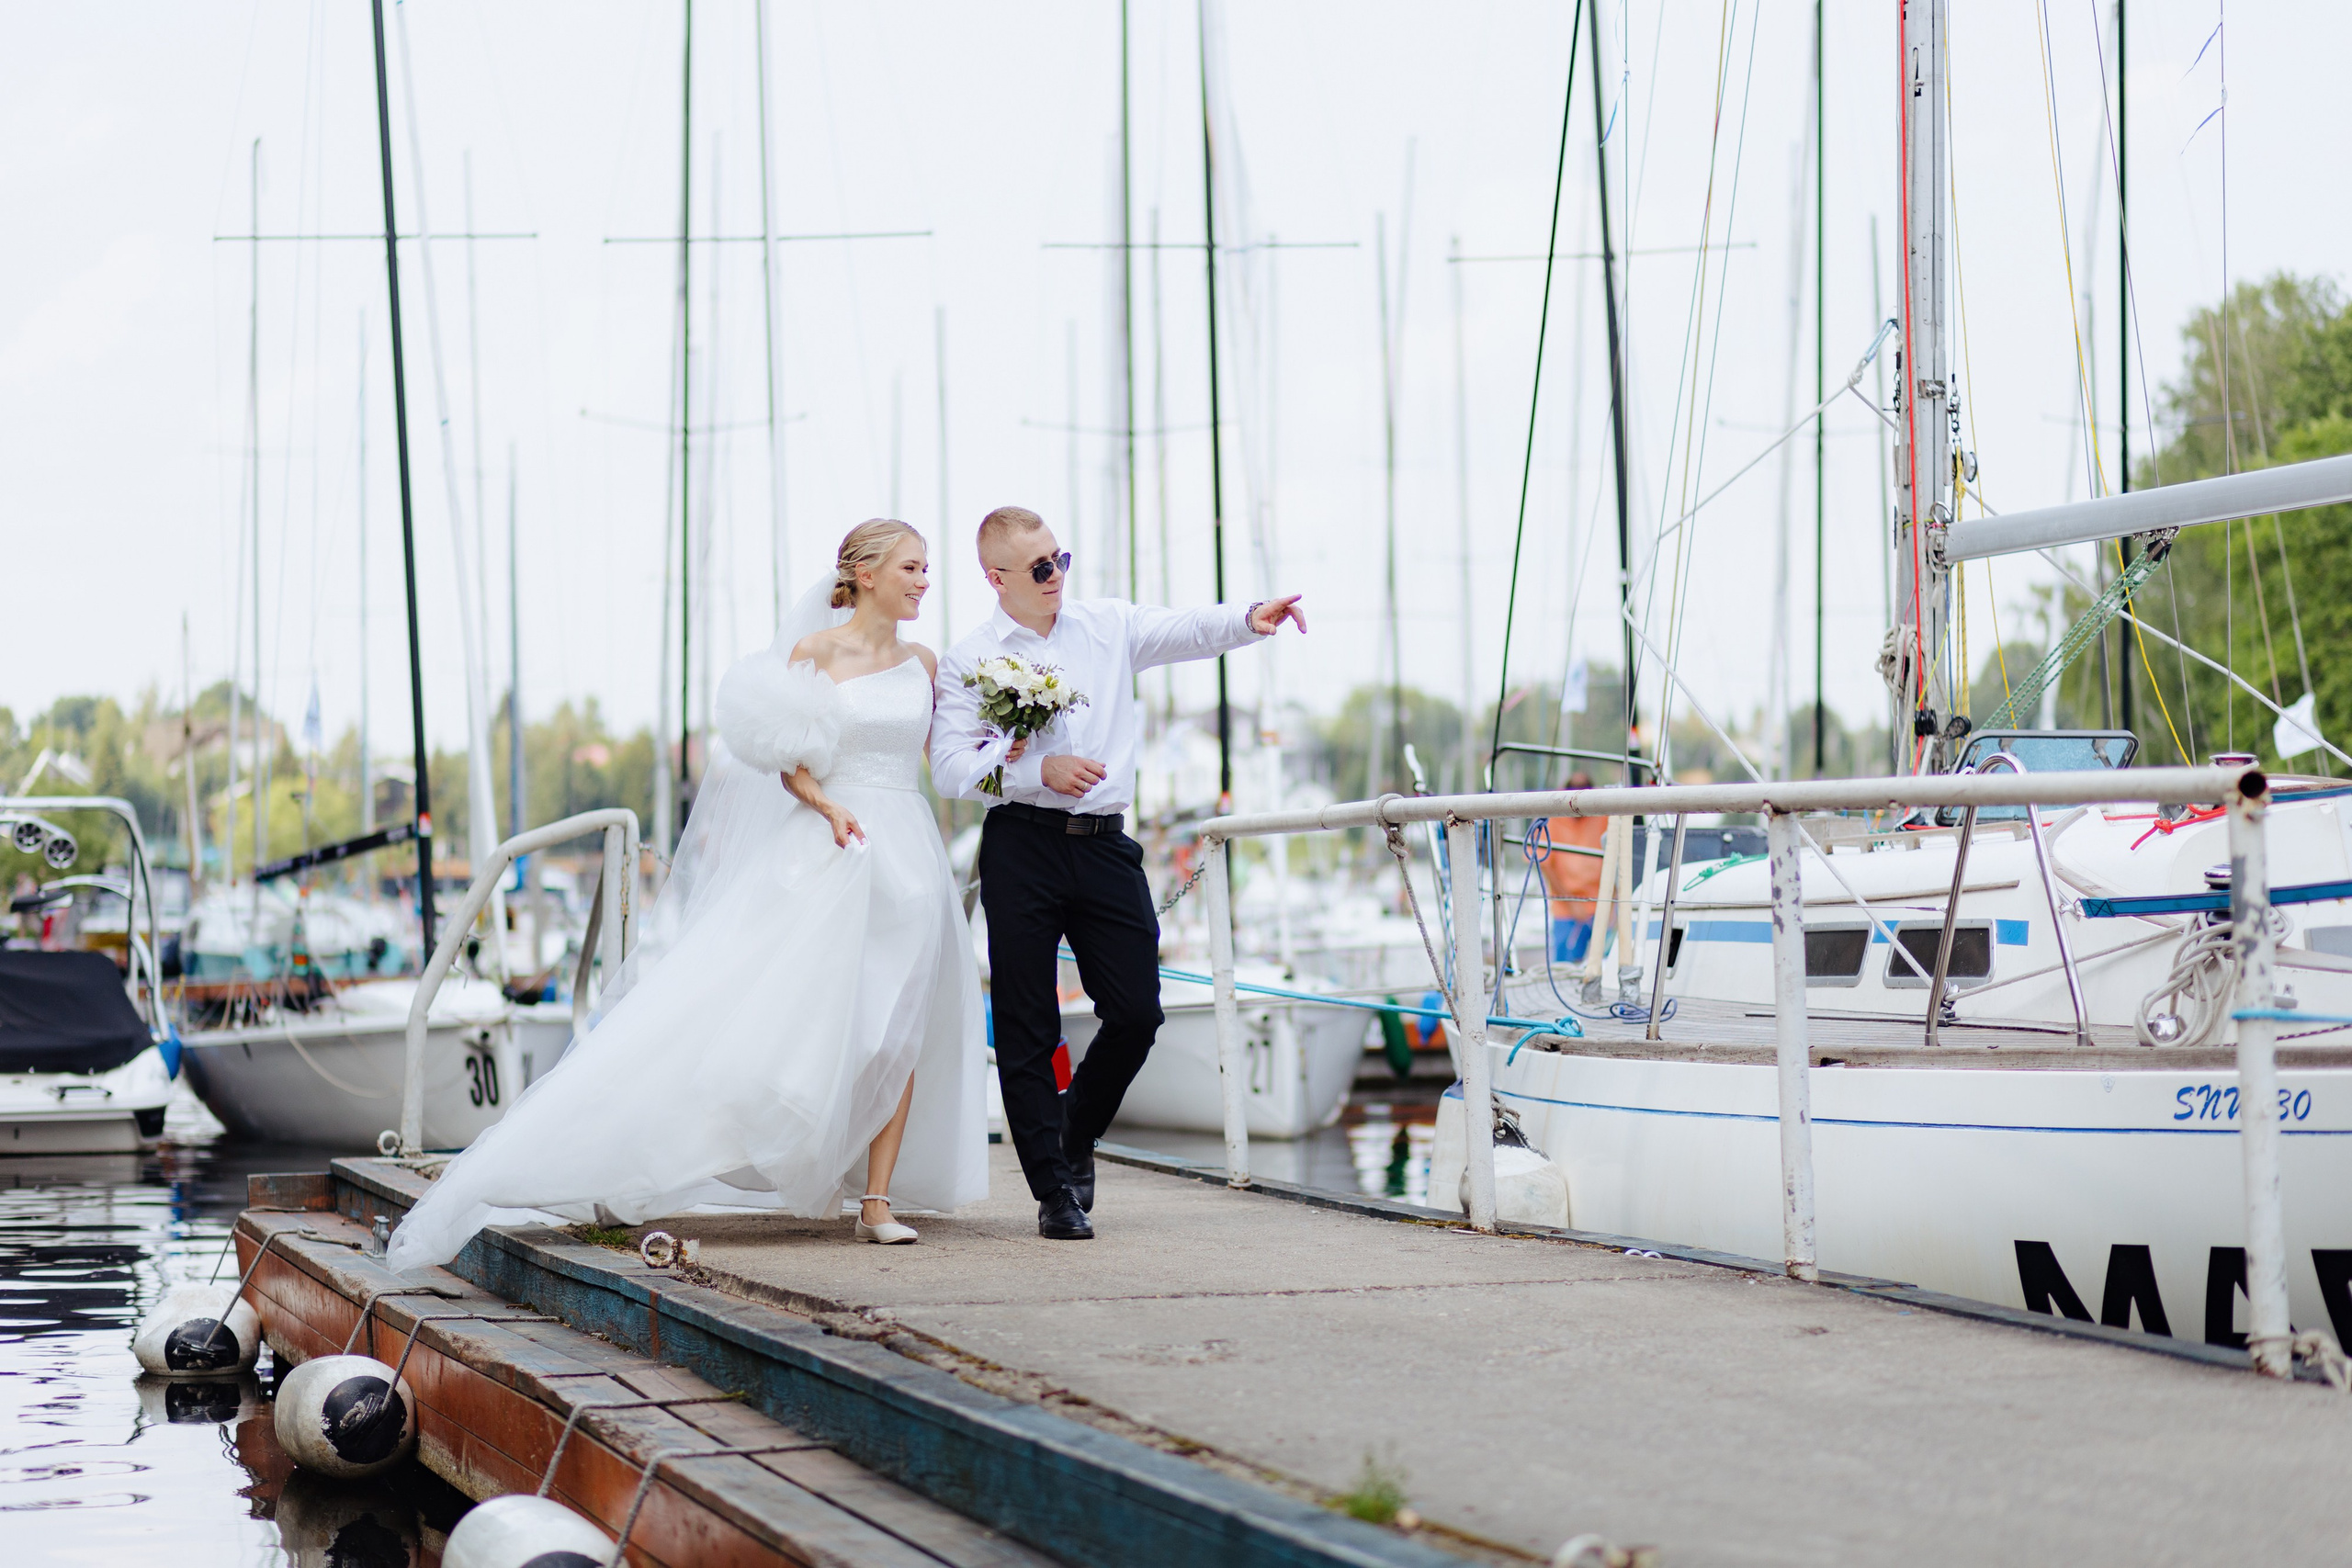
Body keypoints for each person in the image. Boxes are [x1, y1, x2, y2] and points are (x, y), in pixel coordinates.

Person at [386, 520, 989, 1272]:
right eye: (911, 566)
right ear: (866, 574)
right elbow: (784, 763)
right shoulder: (813, 656)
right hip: (837, 845)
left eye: (926, 568)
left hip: (910, 846)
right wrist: (827, 805)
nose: (924, 579)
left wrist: (1007, 751)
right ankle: (665, 1143)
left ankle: (876, 1201)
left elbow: (942, 757)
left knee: (900, 1021)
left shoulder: (925, 663)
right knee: (804, 1014)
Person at [930, 506, 1304, 1241]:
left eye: (1060, 558)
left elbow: (1184, 629)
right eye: (1038, 568)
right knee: (1026, 1022)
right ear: (995, 577)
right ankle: (1051, 1191)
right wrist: (1037, 767)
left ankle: (1076, 1133)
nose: (1055, 577)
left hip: (1103, 843)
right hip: (1022, 844)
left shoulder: (1104, 625)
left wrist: (1250, 616)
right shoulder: (970, 657)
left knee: (1137, 1011)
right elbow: (947, 768)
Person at [1538, 772, 1606, 964]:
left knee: (1603, 963)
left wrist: (1614, 900)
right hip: (1565, 907)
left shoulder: (1603, 815)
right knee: (1564, 966)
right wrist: (1571, 902)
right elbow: (1546, 865)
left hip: (1601, 903)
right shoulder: (1554, 817)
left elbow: (1617, 855)